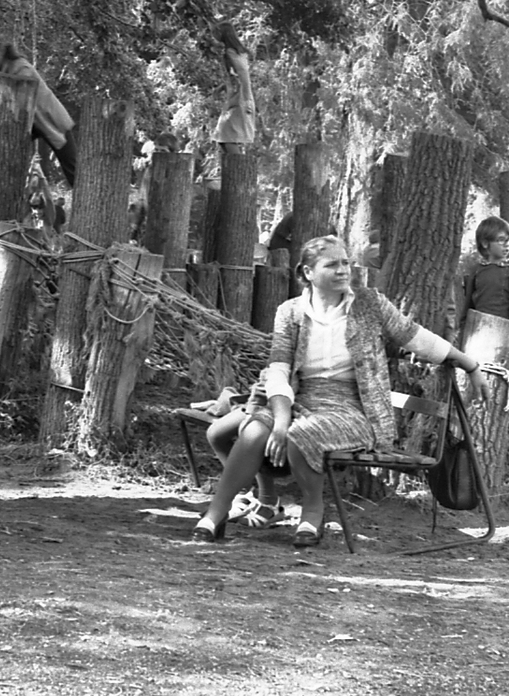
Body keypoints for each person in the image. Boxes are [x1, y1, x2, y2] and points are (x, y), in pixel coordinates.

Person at [190, 235, 490, 548]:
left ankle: (312, 514)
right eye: (332, 264)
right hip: (300, 399)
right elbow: (278, 369)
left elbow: (415, 337)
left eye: (345, 262)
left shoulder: (369, 304)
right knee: (252, 429)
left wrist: (470, 364)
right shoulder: (290, 312)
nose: (343, 270)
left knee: (302, 434)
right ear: (308, 272)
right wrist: (279, 418)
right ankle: (216, 514)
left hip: (356, 408)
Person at [0, 28, 77, 184]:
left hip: (51, 120)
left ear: (1, 50)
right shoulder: (0, 71)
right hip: (29, 123)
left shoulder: (21, 68)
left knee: (73, 170)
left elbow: (19, 100)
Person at [447, 214, 509, 366]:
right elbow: (468, 307)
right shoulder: (476, 270)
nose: (507, 245)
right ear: (485, 243)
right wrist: (462, 334)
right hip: (478, 336)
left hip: (504, 337)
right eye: (501, 240)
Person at [210, 21, 254, 153]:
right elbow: (236, 75)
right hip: (238, 96)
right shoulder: (236, 52)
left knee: (227, 136)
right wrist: (222, 87)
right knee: (222, 137)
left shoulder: (231, 52)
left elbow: (242, 74)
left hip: (240, 97)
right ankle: (235, 167)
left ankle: (240, 168)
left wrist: (241, 99)